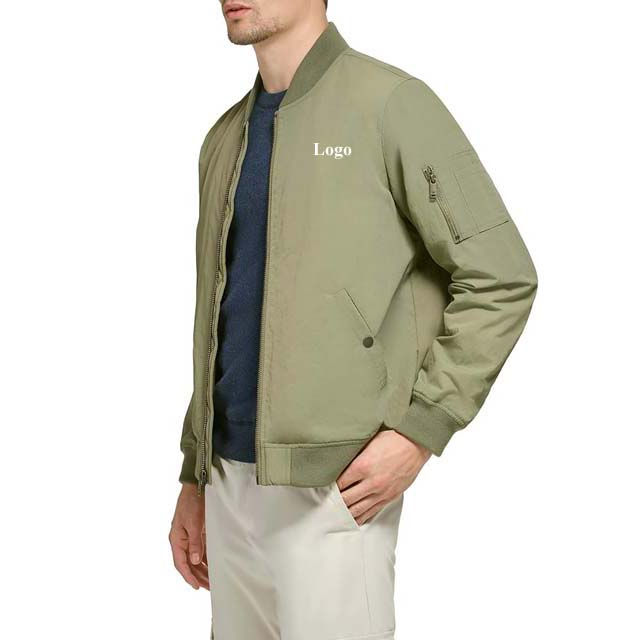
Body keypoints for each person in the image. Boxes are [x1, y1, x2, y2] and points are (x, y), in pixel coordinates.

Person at [169, 1, 538, 638]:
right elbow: (218, 320)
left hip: (337, 490)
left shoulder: (391, 104)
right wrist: (194, 474)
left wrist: (419, 430)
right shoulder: (224, 137)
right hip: (227, 485)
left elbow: (500, 276)